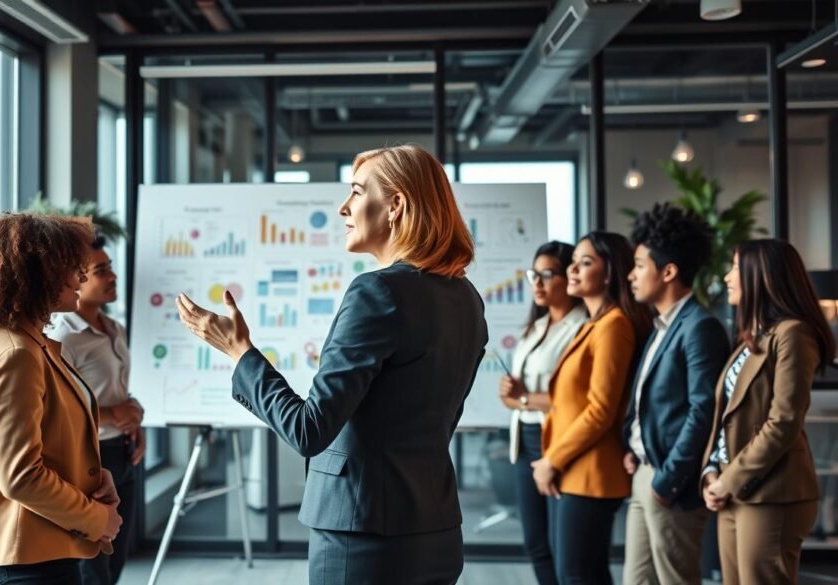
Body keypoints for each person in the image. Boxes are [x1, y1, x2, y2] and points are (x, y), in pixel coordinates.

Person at [176, 144, 487, 585]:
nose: (343, 207)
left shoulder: (377, 292)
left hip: (362, 537)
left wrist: (240, 352)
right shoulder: (466, 299)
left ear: (396, 204)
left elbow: (309, 430)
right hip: (434, 529)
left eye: (358, 192)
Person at [0, 213, 122, 585]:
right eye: (69, 266)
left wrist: (91, 479)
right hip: (29, 556)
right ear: (35, 274)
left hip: (23, 546)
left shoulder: (0, 342)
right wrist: (96, 518)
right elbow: (21, 476)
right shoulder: (16, 354)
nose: (79, 276)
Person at [701, 239, 834, 584]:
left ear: (761, 275)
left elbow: (784, 421)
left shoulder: (793, 334)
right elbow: (727, 416)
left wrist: (729, 480)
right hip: (733, 489)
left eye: (734, 268)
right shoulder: (753, 336)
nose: (727, 277)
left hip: (772, 492)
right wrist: (712, 472)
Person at [621, 204, 730, 585]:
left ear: (668, 271)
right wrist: (634, 447)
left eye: (638, 265)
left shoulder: (700, 327)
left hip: (670, 482)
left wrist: (668, 480)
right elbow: (650, 401)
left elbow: (704, 409)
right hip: (646, 471)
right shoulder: (662, 326)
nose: (631, 275)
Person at [535, 231, 651, 585]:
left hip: (590, 472)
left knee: (576, 576)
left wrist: (552, 459)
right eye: (573, 263)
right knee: (583, 573)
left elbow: (600, 410)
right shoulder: (595, 324)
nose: (573, 270)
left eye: (586, 263)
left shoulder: (614, 326)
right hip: (573, 470)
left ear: (610, 273)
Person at [47, 235, 144, 585]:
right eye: (100, 270)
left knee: (117, 558)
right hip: (90, 458)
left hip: (125, 452)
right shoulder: (63, 337)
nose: (112, 276)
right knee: (93, 567)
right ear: (75, 278)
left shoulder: (115, 329)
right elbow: (58, 410)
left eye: (110, 267)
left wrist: (134, 419)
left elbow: (114, 392)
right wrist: (112, 414)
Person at [499, 241, 587, 585]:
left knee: (563, 550)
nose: (537, 282)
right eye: (534, 274)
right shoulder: (534, 328)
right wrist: (513, 396)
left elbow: (573, 399)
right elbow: (519, 398)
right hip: (524, 441)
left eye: (547, 274)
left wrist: (522, 398)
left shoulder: (580, 329)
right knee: (535, 544)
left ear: (568, 277)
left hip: (558, 442)